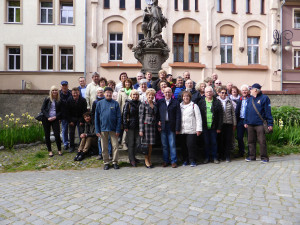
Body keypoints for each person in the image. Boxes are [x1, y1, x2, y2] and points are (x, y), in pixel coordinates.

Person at [244, 83, 273, 163]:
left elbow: (268, 112)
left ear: (255, 90)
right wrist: (245, 121)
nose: (250, 91)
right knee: (250, 141)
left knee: (262, 141)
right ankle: (251, 156)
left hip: (260, 124)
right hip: (250, 124)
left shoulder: (265, 98)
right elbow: (247, 111)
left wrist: (270, 124)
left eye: (251, 89)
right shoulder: (250, 99)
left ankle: (264, 158)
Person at [95, 87, 122, 170]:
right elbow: (96, 117)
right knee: (104, 147)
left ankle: (115, 162)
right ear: (104, 93)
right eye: (107, 92)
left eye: (110, 93)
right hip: (103, 129)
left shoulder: (115, 104)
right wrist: (97, 130)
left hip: (113, 129)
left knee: (115, 147)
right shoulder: (99, 104)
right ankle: (106, 162)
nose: (108, 94)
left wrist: (118, 129)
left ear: (112, 93)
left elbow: (119, 118)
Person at [157, 87, 181, 168]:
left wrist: (177, 128)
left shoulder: (175, 102)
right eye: (166, 92)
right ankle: (165, 161)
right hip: (163, 125)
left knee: (172, 144)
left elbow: (178, 116)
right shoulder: (160, 102)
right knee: (164, 145)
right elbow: (157, 115)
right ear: (163, 93)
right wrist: (158, 124)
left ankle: (173, 161)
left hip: (172, 125)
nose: (167, 94)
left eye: (169, 92)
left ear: (171, 93)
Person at [198, 86, 223, 164]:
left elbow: (220, 115)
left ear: (213, 93)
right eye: (207, 92)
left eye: (210, 91)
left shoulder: (217, 102)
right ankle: (207, 157)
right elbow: (198, 115)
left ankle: (215, 157)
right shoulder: (201, 102)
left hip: (214, 126)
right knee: (206, 143)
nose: (209, 93)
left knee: (214, 142)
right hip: (204, 126)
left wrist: (219, 127)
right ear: (204, 93)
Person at [180, 91, 202, 167]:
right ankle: (185, 160)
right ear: (182, 97)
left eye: (187, 96)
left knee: (191, 146)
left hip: (191, 129)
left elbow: (198, 118)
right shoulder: (179, 106)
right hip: (182, 130)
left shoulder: (194, 106)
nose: (186, 98)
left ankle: (192, 160)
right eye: (184, 96)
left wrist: (199, 129)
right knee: (183, 146)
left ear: (190, 97)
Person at [91, 87, 112, 160]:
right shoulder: (96, 102)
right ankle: (100, 154)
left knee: (108, 140)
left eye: (101, 92)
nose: (100, 93)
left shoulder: (107, 101)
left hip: (108, 124)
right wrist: (95, 123)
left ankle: (109, 153)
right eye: (99, 92)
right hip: (100, 124)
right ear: (97, 93)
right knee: (100, 140)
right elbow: (94, 113)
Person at [217, 86, 237, 162]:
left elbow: (233, 113)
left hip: (229, 123)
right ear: (219, 93)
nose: (224, 94)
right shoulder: (216, 101)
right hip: (220, 124)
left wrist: (234, 124)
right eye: (222, 93)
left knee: (228, 140)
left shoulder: (229, 101)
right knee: (221, 140)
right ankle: (221, 156)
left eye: (225, 93)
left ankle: (227, 156)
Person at [41, 86, 62, 157]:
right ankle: (50, 151)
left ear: (57, 91)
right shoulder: (47, 99)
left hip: (55, 119)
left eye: (56, 90)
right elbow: (43, 109)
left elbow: (61, 111)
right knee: (47, 135)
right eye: (53, 90)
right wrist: (48, 117)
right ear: (51, 91)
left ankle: (59, 150)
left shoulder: (59, 100)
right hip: (46, 119)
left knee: (57, 134)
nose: (54, 92)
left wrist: (56, 117)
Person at [139, 88, 157, 168]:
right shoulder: (143, 104)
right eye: (149, 95)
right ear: (146, 96)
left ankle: (149, 159)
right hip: (145, 126)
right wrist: (141, 129)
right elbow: (141, 117)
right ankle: (146, 160)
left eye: (152, 95)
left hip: (152, 126)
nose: (151, 96)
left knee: (150, 145)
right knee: (146, 144)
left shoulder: (155, 104)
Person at [123, 90, 141, 167]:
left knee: (138, 142)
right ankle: (132, 159)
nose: (135, 96)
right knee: (131, 143)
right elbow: (124, 115)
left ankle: (134, 156)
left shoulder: (140, 103)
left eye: (137, 94)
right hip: (130, 125)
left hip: (138, 125)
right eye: (134, 94)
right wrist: (125, 126)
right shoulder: (128, 104)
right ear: (131, 95)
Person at [67, 87, 88, 152]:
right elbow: (67, 111)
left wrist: (82, 120)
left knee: (81, 132)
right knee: (71, 133)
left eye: (76, 93)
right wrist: (70, 121)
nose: (75, 94)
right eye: (73, 93)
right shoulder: (69, 100)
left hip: (80, 118)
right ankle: (72, 146)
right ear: (72, 93)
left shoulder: (83, 100)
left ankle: (81, 146)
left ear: (79, 93)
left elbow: (84, 111)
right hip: (72, 118)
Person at [117, 78, 133, 150]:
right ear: (124, 84)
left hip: (130, 113)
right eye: (126, 83)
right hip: (122, 112)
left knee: (127, 128)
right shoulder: (121, 91)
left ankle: (124, 143)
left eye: (129, 83)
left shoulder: (133, 91)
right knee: (121, 128)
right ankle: (120, 143)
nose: (127, 84)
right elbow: (118, 102)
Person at [235, 84, 250, 158]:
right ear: (241, 91)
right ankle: (241, 151)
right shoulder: (239, 100)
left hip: (249, 121)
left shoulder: (251, 99)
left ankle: (250, 153)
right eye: (243, 90)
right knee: (239, 137)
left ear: (248, 91)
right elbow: (237, 111)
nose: (244, 91)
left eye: (246, 90)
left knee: (249, 137)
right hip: (240, 120)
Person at [59, 80, 72, 150]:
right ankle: (65, 143)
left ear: (67, 86)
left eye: (65, 85)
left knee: (71, 129)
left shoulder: (70, 93)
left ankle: (72, 143)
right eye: (63, 85)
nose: (64, 87)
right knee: (64, 130)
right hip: (63, 115)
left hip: (71, 114)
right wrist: (59, 117)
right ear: (61, 86)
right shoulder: (58, 94)